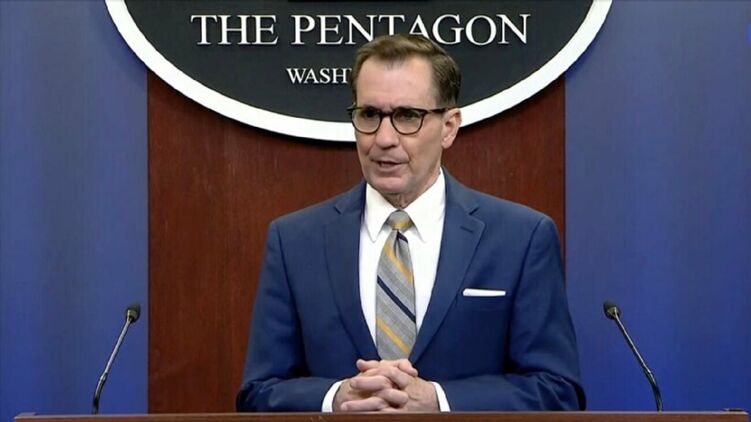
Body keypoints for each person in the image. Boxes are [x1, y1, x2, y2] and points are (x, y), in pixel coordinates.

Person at [236, 34, 584, 412]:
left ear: (449, 126)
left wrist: (439, 401)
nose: (384, 138)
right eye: (369, 115)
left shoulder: (521, 238)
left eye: (407, 117)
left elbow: (557, 391)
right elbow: (259, 394)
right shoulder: (294, 242)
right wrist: (336, 398)